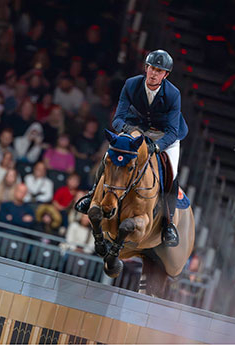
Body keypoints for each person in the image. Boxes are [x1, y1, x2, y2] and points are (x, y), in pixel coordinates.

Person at [75, 50, 188, 247]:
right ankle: (92, 194)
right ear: (146, 67)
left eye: (159, 71)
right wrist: (129, 130)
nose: (154, 73)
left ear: (165, 75)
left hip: (166, 136)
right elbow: (117, 118)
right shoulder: (132, 84)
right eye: (152, 68)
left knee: (171, 171)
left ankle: (168, 223)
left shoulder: (173, 94)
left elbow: (171, 131)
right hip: (137, 129)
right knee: (111, 155)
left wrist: (156, 147)